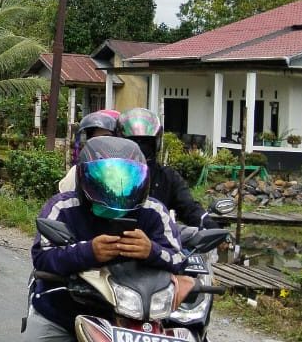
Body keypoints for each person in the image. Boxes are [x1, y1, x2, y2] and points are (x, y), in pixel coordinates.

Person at [23, 136, 185, 340]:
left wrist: (150, 250)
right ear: (84, 177)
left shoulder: (154, 211)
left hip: (134, 321)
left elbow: (179, 259)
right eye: (106, 180)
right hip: (64, 313)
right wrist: (89, 252)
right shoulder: (62, 207)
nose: (117, 191)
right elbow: (42, 257)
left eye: (129, 180)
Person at [118, 107, 220, 229]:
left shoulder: (167, 177)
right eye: (134, 143)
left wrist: (211, 226)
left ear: (155, 143)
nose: (140, 149)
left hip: (157, 239)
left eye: (146, 142)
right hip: (113, 237)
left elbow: (188, 207)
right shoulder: (110, 173)